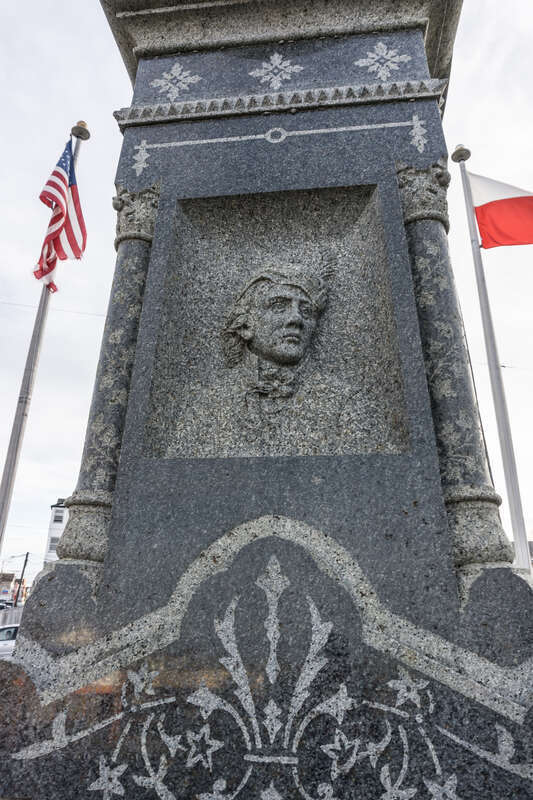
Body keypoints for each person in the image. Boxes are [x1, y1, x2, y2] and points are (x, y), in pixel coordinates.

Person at [166, 263, 395, 458]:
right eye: (278, 306)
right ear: (245, 325)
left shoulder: (347, 404)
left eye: (306, 311)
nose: (296, 318)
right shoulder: (207, 407)